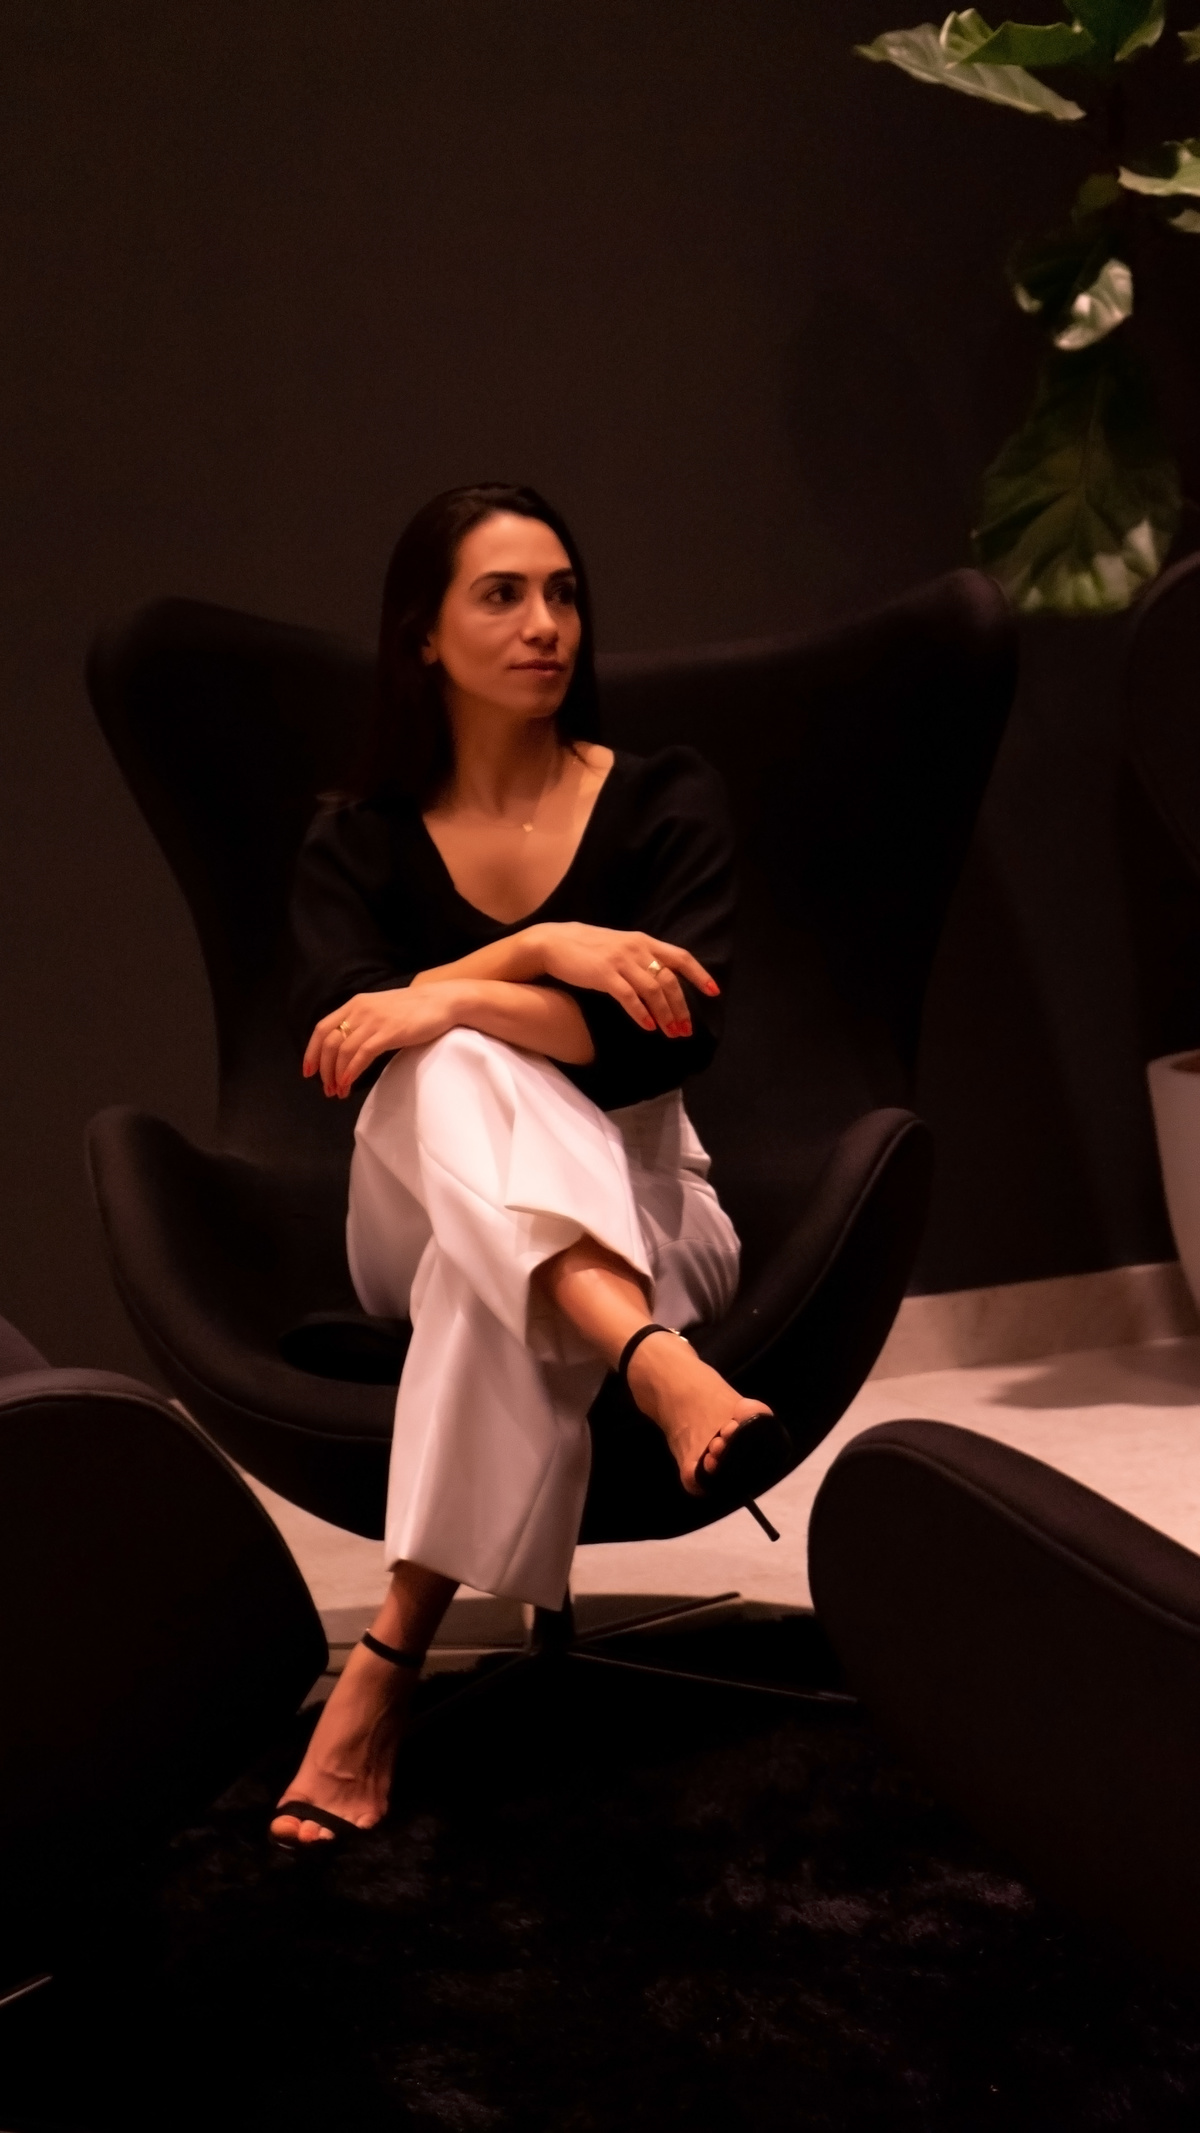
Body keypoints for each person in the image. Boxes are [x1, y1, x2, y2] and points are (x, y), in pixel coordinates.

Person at [271, 483, 790, 1846]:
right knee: (443, 1065)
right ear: (422, 636)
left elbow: (669, 1038)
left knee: (483, 1273)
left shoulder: (664, 794)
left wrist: (441, 992)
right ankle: (658, 1364)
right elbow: (343, 1040)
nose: (546, 623)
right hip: (410, 1200)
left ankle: (381, 1671)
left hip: (655, 1206)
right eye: (502, 595)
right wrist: (541, 953)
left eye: (562, 592)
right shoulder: (356, 834)